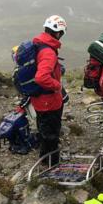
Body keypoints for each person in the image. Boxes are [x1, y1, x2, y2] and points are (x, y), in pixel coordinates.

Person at [31, 15, 67, 165]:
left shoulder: (39, 44)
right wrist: (57, 86)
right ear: (58, 33)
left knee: (44, 130)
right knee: (51, 134)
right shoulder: (48, 52)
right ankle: (52, 164)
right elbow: (41, 77)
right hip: (49, 102)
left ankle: (45, 159)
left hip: (40, 100)